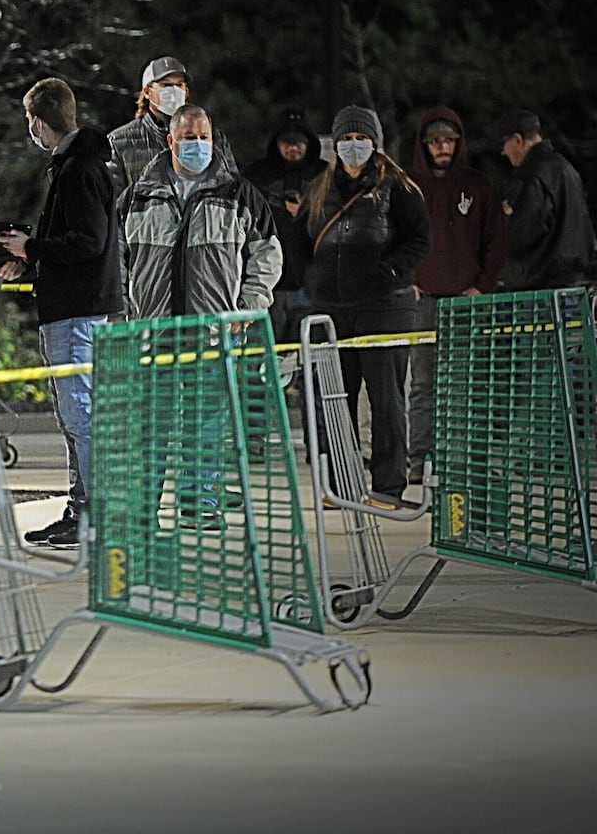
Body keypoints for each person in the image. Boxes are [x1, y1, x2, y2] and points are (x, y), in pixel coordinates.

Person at [117, 103, 282, 528]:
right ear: (170, 141)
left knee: (205, 425)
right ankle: (143, 511)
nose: (197, 144)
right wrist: (123, 312)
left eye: (203, 137)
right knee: (149, 428)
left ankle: (199, 505)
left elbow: (267, 255)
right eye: (188, 137)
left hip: (213, 332)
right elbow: (114, 260)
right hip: (152, 333)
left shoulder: (238, 193)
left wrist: (249, 306)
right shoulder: (138, 195)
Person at [0, 79, 123, 550]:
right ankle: (81, 508)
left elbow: (86, 242)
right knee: (77, 415)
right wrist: (31, 255)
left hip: (76, 309)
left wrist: (33, 246)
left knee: (80, 414)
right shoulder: (83, 164)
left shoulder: (77, 169)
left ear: (37, 120)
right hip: (80, 306)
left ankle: (94, 512)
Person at [295, 105, 430, 503]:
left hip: (385, 306)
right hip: (332, 308)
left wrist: (390, 272)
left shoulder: (398, 188)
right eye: (347, 139)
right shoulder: (319, 189)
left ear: (375, 142)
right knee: (336, 397)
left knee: (386, 397)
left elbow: (419, 240)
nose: (354, 146)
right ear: (335, 144)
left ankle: (388, 485)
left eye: (362, 138)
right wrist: (312, 278)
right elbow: (299, 240)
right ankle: (341, 485)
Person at [405, 107, 506, 479]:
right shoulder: (408, 186)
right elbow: (393, 237)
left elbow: (496, 242)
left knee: (465, 384)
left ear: (459, 143)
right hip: (423, 300)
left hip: (466, 301)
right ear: (425, 145)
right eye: (436, 141)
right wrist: (406, 281)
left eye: (449, 140)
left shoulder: (479, 186)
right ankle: (419, 461)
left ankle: (462, 461)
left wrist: (484, 285)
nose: (443, 147)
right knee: (423, 385)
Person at [241, 108, 326, 346]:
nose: (293, 148)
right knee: (266, 357)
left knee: (311, 359)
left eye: (299, 142)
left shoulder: (325, 175)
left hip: (312, 286)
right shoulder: (257, 176)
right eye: (287, 142)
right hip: (268, 289)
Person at [495, 110, 597, 292]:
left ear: (518, 140)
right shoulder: (567, 169)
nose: (503, 152)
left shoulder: (532, 176)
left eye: (504, 144)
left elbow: (519, 234)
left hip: (538, 291)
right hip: (573, 284)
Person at [108, 56, 232, 188]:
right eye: (166, 85)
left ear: (186, 91)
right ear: (147, 92)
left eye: (179, 85)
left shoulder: (214, 140)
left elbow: (233, 190)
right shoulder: (119, 142)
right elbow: (113, 201)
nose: (174, 91)